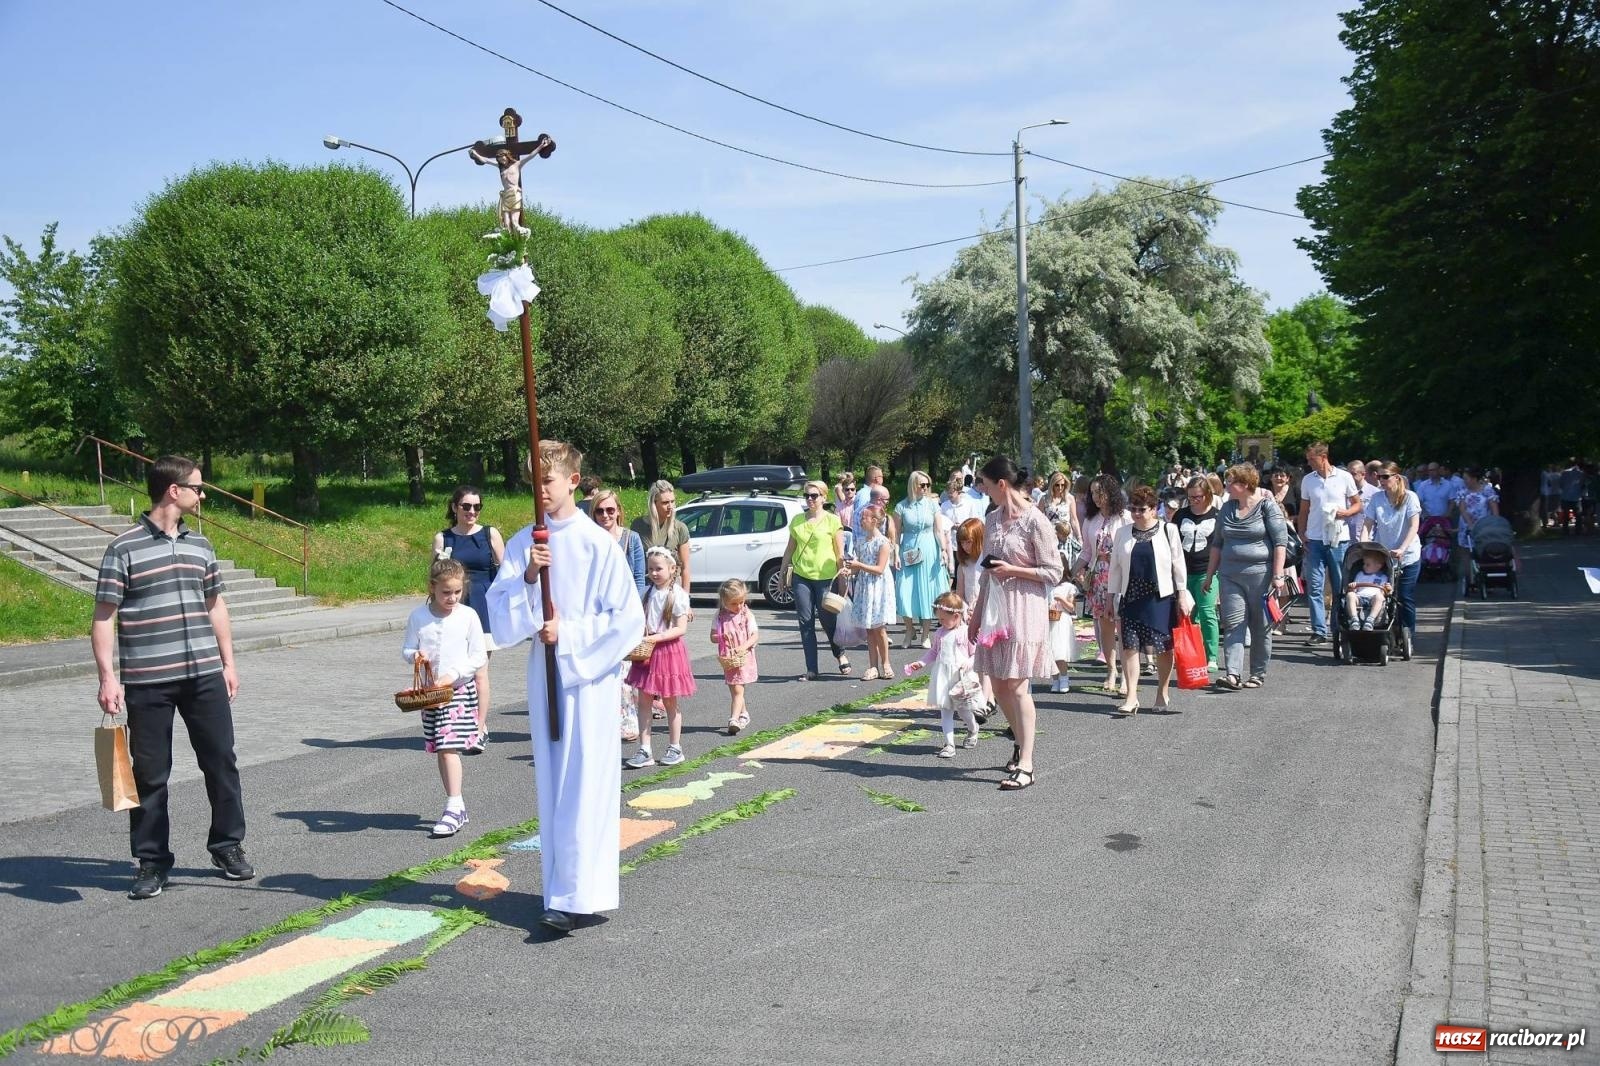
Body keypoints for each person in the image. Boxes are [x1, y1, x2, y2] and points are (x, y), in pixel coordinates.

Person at [487, 440, 646, 934]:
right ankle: (560, 893)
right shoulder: (524, 543)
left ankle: (580, 893)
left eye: (547, 480)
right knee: (554, 784)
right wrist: (530, 577)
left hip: (589, 679)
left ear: (573, 482)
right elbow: (502, 617)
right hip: (546, 676)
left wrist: (570, 634)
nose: (539, 490)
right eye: (533, 482)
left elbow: (628, 620)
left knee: (585, 784)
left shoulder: (597, 543)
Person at [92, 455, 252, 901]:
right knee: (150, 774)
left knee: (221, 762)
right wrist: (108, 678)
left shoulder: (201, 545)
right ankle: (152, 861)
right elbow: (104, 616)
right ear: (173, 490)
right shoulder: (123, 548)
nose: (202, 496)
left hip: (203, 675)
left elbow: (215, 605)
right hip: (148, 681)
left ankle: (227, 845)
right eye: (198, 488)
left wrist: (228, 663)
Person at [970, 456, 1062, 791]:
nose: (983, 490)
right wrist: (975, 616)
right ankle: (1021, 742)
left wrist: (1014, 570)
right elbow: (986, 571)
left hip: (1026, 607)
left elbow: (1054, 572)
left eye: (986, 484)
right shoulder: (992, 519)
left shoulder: (1036, 521)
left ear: (1001, 484)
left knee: (1017, 685)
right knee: (997, 685)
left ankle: (1027, 763)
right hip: (996, 609)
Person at [402, 557, 488, 837]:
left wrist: (454, 673)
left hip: (459, 691)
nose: (452, 598)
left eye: (457, 592)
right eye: (446, 592)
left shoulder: (468, 616)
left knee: (449, 746)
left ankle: (454, 806)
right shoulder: (419, 616)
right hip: (431, 695)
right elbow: (407, 648)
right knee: (442, 748)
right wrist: (415, 655)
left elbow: (478, 656)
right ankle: (457, 805)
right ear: (432, 588)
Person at [1202, 464, 1289, 692]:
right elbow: (1217, 544)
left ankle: (1258, 673)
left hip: (1261, 575)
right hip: (1229, 575)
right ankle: (1233, 674)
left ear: (1244, 484)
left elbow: (1280, 542)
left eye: (1230, 482)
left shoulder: (1267, 507)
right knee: (1233, 623)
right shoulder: (1227, 508)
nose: (1226, 486)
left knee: (1260, 627)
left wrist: (1278, 575)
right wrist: (1209, 575)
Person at [1107, 485, 1193, 716]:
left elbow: (1178, 565)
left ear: (1154, 509)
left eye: (1141, 509)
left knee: (1163, 648)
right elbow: (1115, 569)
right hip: (1131, 597)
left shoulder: (1168, 530)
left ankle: (1162, 692)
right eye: (1133, 509)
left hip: (1160, 598)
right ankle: (1131, 696)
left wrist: (1182, 594)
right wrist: (1110, 597)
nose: (1136, 513)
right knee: (1130, 648)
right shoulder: (1122, 533)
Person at [433, 486, 505, 751]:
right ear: (455, 508)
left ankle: (479, 728)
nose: (472, 511)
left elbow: (506, 573)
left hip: (483, 607)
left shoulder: (489, 534)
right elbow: (435, 577)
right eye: (466, 506)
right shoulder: (443, 538)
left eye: (476, 507)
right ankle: (457, 723)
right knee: (456, 668)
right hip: (454, 609)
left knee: (479, 671)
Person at [625, 548, 697, 769]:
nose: (654, 573)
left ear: (672, 569)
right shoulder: (645, 592)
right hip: (647, 650)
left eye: (659, 568)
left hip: (668, 651)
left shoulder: (678, 595)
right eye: (650, 569)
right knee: (644, 700)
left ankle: (675, 747)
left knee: (669, 701)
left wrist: (656, 637)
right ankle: (645, 749)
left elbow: (680, 628)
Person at [779, 480, 849, 680]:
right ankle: (811, 669)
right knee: (805, 622)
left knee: (828, 620)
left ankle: (840, 653)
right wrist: (783, 574)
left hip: (826, 577)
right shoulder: (797, 521)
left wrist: (842, 578)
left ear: (824, 497)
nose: (810, 499)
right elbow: (789, 550)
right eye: (807, 495)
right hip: (801, 577)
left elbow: (839, 553)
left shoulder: (833, 521)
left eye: (814, 495)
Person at [1297, 443, 1361, 646]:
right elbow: (1304, 510)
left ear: (1323, 457)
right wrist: (1302, 534)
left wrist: (1346, 512)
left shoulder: (1344, 477)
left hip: (1338, 538)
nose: (1308, 462)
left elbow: (1358, 504)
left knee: (1339, 586)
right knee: (1315, 586)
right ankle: (1318, 630)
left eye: (1311, 459)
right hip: (1315, 538)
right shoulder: (1308, 480)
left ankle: (1337, 627)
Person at [905, 591, 980, 758]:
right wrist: (921, 662)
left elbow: (976, 654)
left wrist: (969, 662)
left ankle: (973, 728)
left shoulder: (966, 632)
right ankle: (949, 744)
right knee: (945, 710)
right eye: (939, 619)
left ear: (956, 616)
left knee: (964, 710)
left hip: (960, 677)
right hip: (943, 676)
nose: (941, 622)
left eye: (943, 619)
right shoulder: (940, 633)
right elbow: (934, 652)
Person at [1076, 475, 1131, 695]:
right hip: (1097, 579)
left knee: (1123, 628)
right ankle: (1111, 670)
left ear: (1111, 492)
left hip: (1121, 578)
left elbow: (1132, 548)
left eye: (1100, 492)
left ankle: (1127, 675)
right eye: (1093, 493)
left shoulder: (1125, 518)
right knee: (1105, 628)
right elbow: (1086, 551)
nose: (1096, 497)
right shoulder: (1091, 520)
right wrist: (1073, 571)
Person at [1366, 462, 1421, 639]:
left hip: (1407, 555)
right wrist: (1363, 546)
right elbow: (1368, 524)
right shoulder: (1376, 498)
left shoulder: (1410, 497)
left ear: (1396, 478)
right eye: (1378, 476)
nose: (1381, 480)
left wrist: (1402, 548)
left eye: (1385, 476)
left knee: (1404, 596)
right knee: (1382, 594)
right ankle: (1385, 629)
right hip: (1384, 555)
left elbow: (1413, 526)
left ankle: (1408, 634)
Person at [842, 503, 895, 680]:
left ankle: (886, 663)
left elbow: (879, 569)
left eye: (864, 517)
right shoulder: (860, 541)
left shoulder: (883, 542)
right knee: (869, 629)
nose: (861, 520)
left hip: (878, 587)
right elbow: (858, 567)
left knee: (879, 628)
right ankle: (873, 666)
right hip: (865, 586)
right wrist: (850, 570)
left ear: (874, 520)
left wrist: (858, 565)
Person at [1172, 477, 1221, 670]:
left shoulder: (1217, 515)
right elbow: (1172, 542)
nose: (1193, 500)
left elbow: (1221, 545)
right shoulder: (1180, 515)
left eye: (1198, 497)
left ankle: (1211, 657)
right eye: (1190, 497)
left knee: (1207, 612)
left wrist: (1214, 572)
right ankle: (1189, 655)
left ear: (1207, 495)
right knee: (1186, 614)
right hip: (1183, 573)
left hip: (1207, 571)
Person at [893, 471, 944, 649]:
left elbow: (938, 530)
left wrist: (943, 550)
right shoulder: (901, 507)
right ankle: (909, 629)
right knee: (903, 592)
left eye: (927, 485)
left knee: (927, 592)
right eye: (922, 485)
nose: (925, 488)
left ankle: (925, 634)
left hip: (929, 550)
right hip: (908, 551)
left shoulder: (932, 505)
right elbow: (896, 534)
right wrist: (895, 553)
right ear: (913, 485)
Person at [712, 579, 759, 736]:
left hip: (742, 657)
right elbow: (712, 636)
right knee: (735, 688)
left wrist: (743, 647)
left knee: (738, 689)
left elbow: (755, 635)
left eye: (741, 602)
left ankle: (733, 719)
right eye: (734, 603)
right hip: (729, 658)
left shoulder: (746, 614)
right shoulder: (720, 616)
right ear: (724, 601)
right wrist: (721, 636)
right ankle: (744, 714)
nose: (739, 606)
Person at [632, 480, 691, 591]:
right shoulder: (638, 525)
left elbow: (685, 567)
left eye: (672, 501)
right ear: (654, 503)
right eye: (665, 503)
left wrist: (685, 595)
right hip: (647, 587)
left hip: (672, 587)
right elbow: (633, 562)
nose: (670, 506)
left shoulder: (680, 528)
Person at [589, 488, 646, 596]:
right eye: (599, 511)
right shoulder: (589, 540)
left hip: (626, 599)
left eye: (610, 510)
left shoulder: (632, 538)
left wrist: (638, 603)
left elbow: (639, 579)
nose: (605, 515)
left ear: (618, 511)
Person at [1047, 564, 1079, 694]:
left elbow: (1071, 608)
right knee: (1050, 652)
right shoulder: (1048, 585)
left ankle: (1064, 678)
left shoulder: (1068, 587)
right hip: (1049, 621)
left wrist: (1060, 599)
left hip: (1062, 621)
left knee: (1060, 651)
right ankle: (1055, 680)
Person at [1344, 550, 1392, 630]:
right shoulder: (1360, 574)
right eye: (1364, 564)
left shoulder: (1383, 577)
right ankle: (1354, 619)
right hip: (1360, 597)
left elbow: (1384, 592)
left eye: (1368, 564)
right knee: (1350, 595)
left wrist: (1388, 589)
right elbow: (1355, 590)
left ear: (1378, 566)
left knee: (1379, 597)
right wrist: (1352, 587)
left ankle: (1371, 619)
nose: (1364, 566)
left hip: (1373, 598)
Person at [1455, 467, 1500, 553]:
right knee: (1467, 553)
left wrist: (1496, 525)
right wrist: (1470, 525)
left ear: (1474, 479)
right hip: (1467, 527)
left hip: (1484, 527)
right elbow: (1462, 509)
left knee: (1485, 552)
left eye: (1466, 479)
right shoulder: (1462, 491)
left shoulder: (1487, 490)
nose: (1464, 481)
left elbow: (1494, 509)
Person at [1346, 461, 1382, 546]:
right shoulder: (1344, 492)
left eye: (1353, 474)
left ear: (1363, 474)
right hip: (1348, 542)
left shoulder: (1375, 493)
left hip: (1368, 541)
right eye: (1348, 475)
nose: (1350, 477)